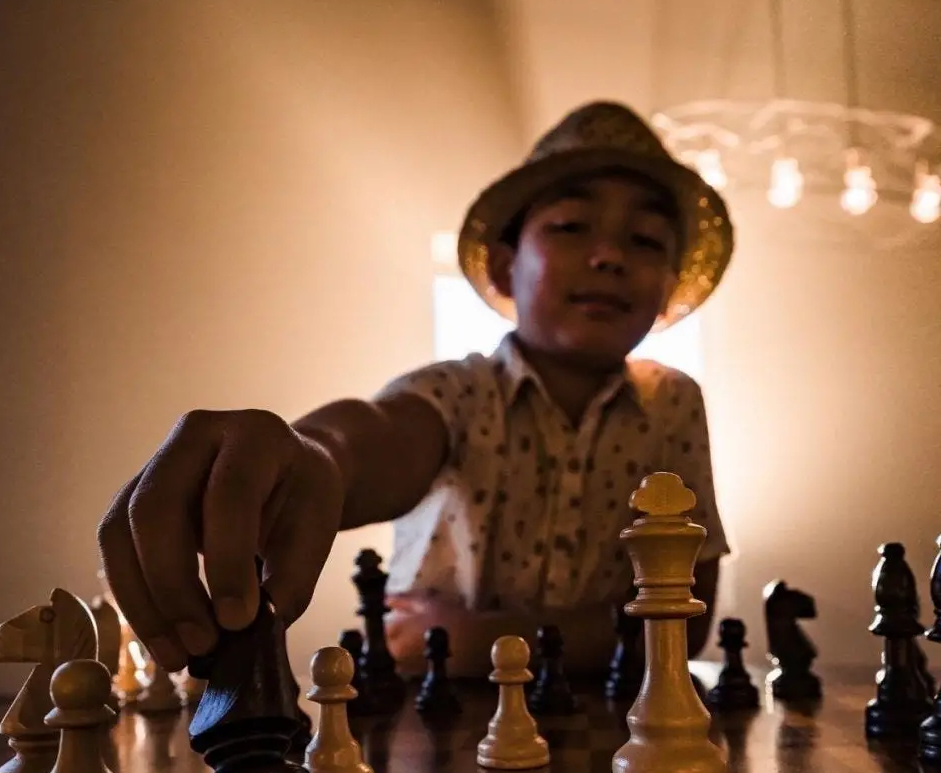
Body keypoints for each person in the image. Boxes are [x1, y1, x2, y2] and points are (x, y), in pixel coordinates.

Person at [97, 101, 734, 679]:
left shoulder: (676, 404)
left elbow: (688, 624)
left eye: (646, 240)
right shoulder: (455, 394)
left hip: (624, 742)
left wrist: (489, 639)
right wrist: (307, 456)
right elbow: (369, 437)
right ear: (509, 265)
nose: (608, 257)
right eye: (571, 226)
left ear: (668, 286)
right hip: (437, 747)